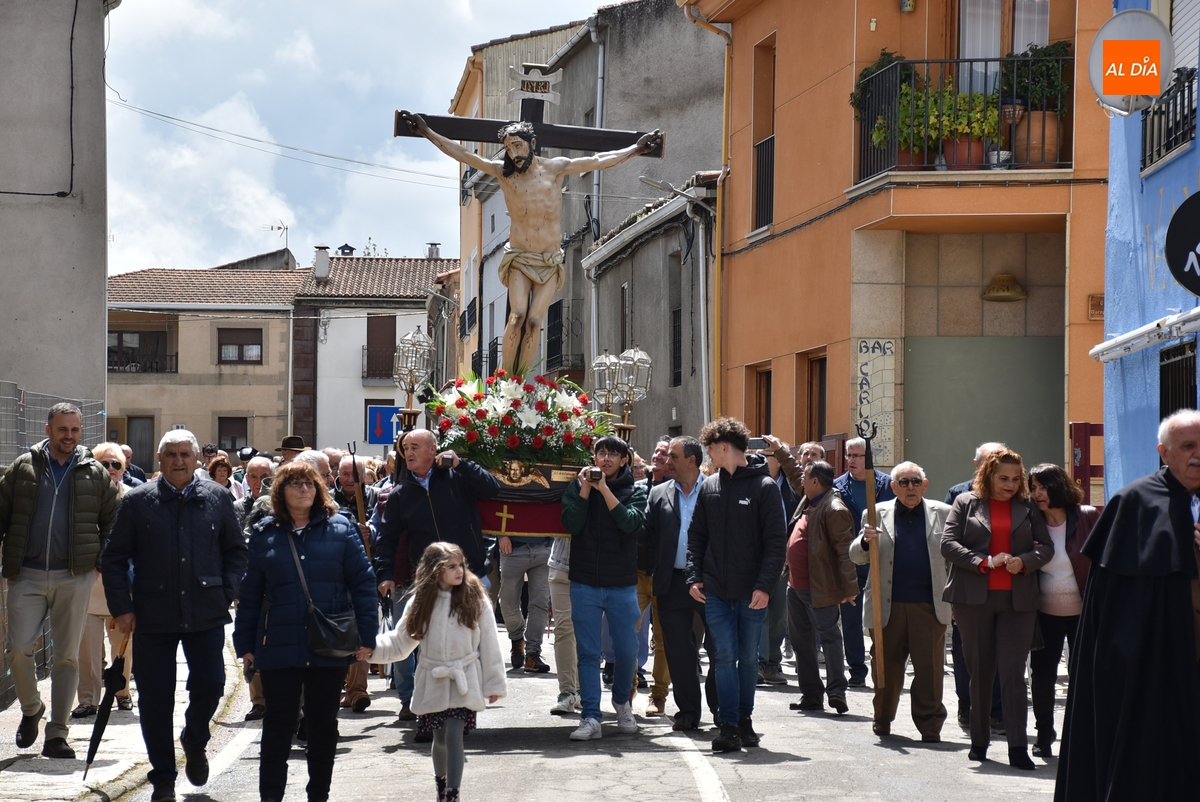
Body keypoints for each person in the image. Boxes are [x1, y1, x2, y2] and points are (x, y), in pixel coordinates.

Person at [399, 110, 661, 373]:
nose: (513, 153)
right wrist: (427, 132)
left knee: (535, 321)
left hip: (549, 259)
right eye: (508, 148)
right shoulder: (504, 174)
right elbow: (464, 154)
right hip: (520, 258)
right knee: (517, 316)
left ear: (532, 144)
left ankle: (520, 381)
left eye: (517, 145)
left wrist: (635, 150)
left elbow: (598, 160)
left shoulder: (556, 168)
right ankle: (506, 380)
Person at [1055, 410, 1200, 799]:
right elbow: (1116, 608)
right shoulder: (1134, 504)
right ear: (1163, 453)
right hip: (1154, 669)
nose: (1198, 455)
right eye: (1188, 446)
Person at [103, 429, 248, 802]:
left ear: (197, 458)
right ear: (160, 458)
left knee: (212, 684)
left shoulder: (217, 498)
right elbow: (115, 559)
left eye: (186, 454)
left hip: (206, 610)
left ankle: (195, 739)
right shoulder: (137, 501)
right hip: (153, 613)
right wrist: (122, 608)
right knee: (155, 699)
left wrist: (227, 589)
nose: (179, 461)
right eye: (171, 455)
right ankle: (163, 776)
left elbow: (236, 551)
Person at [234, 460, 378, 802]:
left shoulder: (340, 529)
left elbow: (363, 582)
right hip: (279, 645)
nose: (303, 489)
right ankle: (271, 796)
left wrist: (367, 636)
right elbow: (250, 592)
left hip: (328, 644)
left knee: (323, 725)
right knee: (278, 725)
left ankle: (319, 795)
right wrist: (246, 643)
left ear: (319, 490)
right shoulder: (265, 533)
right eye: (295, 483)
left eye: (310, 484)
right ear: (281, 492)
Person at [0, 402, 119, 758]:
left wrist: (97, 563)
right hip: (27, 573)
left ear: (81, 432)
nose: (69, 436)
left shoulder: (95, 473)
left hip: (75, 575)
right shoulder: (23, 468)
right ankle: (32, 709)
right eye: (62, 429)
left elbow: (113, 522)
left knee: (66, 657)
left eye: (75, 430)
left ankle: (57, 733)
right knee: (18, 648)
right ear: (48, 429)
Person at [366, 542, 506, 802]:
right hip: (433, 679)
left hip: (463, 679)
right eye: (451, 566)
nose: (459, 571)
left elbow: (490, 643)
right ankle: (441, 788)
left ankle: (453, 794)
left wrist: (493, 683)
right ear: (434, 570)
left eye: (460, 565)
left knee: (454, 734)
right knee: (439, 738)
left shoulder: (475, 598)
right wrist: (370, 649)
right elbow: (400, 643)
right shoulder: (421, 601)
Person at [941, 447, 1051, 770]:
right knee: (980, 672)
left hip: (1018, 601)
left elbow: (1046, 547)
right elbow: (948, 544)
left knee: (1014, 673)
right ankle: (979, 741)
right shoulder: (965, 503)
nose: (1011, 485)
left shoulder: (1028, 506)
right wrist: (985, 562)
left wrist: (1024, 561)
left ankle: (1018, 747)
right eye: (1003, 478)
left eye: (1016, 479)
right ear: (988, 474)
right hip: (973, 598)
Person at [688, 418, 786, 752]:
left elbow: (776, 543)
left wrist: (764, 586)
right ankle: (727, 725)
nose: (709, 456)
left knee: (747, 658)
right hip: (715, 591)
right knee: (724, 657)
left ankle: (745, 720)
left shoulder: (764, 487)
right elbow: (696, 536)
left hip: (751, 593)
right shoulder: (709, 486)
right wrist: (693, 576)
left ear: (724, 447)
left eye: (711, 449)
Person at [850, 461, 952, 742]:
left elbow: (954, 557)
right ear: (893, 487)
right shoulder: (875, 513)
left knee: (929, 669)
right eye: (904, 482)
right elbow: (856, 555)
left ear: (925, 484)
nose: (910, 487)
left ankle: (930, 724)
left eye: (915, 481)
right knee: (886, 666)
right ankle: (882, 716)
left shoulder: (942, 513)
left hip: (929, 606)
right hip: (887, 606)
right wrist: (865, 541)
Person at [560, 435, 647, 740]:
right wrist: (585, 489)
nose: (606, 459)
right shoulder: (578, 486)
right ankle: (591, 717)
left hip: (621, 584)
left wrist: (605, 490)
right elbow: (571, 524)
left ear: (625, 460)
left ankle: (621, 701)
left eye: (613, 454)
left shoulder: (635, 490)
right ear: (593, 457)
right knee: (587, 653)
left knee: (627, 651)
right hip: (584, 582)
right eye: (601, 453)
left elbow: (630, 524)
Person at [645, 435, 718, 731]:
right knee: (678, 651)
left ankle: (721, 708)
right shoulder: (658, 493)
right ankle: (688, 712)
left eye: (673, 456)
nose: (667, 461)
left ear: (691, 461)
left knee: (719, 648)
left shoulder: (716, 490)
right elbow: (647, 538)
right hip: (672, 583)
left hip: (712, 583)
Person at [376, 428, 501, 595]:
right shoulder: (400, 494)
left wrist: (462, 465)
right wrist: (385, 574)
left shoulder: (457, 476)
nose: (409, 453)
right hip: (430, 583)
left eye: (415, 447)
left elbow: (492, 489)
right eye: (406, 448)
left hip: (470, 575)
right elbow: (386, 538)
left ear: (432, 449)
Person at [1027, 462, 1096, 759]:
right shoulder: (1029, 522)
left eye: (1043, 486)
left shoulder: (1088, 517)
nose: (1038, 494)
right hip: (1044, 614)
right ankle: (1045, 734)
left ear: (1058, 487)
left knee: (1084, 675)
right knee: (1042, 677)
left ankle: (1082, 737)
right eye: (1033, 488)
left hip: (1084, 612)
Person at [786, 460, 857, 716]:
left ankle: (837, 691)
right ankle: (811, 695)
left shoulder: (833, 507)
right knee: (801, 642)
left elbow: (845, 551)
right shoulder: (811, 498)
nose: (801, 481)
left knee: (829, 638)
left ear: (816, 482)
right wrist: (780, 451)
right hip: (795, 586)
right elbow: (795, 474)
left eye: (806, 477)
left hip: (820, 588)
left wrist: (849, 588)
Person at [945, 441, 1007, 731]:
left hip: (1004, 590)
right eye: (989, 461)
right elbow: (947, 544)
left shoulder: (1014, 496)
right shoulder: (959, 495)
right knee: (965, 653)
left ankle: (997, 710)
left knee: (1000, 652)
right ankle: (967, 706)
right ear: (977, 464)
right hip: (968, 587)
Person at [74, 442, 135, 718]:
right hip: (88, 583)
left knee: (122, 645)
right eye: (105, 464)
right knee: (86, 649)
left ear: (124, 468)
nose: (111, 469)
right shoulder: (82, 498)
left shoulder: (134, 499)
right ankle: (87, 699)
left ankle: (121, 692)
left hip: (121, 584)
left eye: (117, 464)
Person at [833, 437, 896, 688]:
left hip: (881, 561)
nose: (851, 460)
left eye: (857, 456)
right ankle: (857, 669)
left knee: (881, 616)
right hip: (850, 560)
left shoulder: (887, 484)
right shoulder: (838, 486)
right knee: (850, 617)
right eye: (849, 455)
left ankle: (883, 663)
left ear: (869, 458)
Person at [757, 435, 807, 686]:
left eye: (768, 456)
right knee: (757, 611)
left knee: (778, 615)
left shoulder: (794, 489)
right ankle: (757, 662)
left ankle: (772, 664)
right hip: (756, 558)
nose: (762, 460)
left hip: (785, 561)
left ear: (779, 460)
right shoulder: (753, 483)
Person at [636, 436, 673, 714]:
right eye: (656, 451)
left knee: (663, 639)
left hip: (664, 576)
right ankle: (626, 692)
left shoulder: (676, 492)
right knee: (626, 633)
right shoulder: (637, 488)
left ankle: (658, 695)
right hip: (636, 573)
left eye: (665, 453)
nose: (658, 456)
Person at [497, 502, 552, 674]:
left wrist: (553, 539)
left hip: (543, 547)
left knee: (540, 603)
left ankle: (533, 653)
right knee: (507, 602)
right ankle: (516, 638)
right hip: (512, 547)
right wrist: (500, 535)